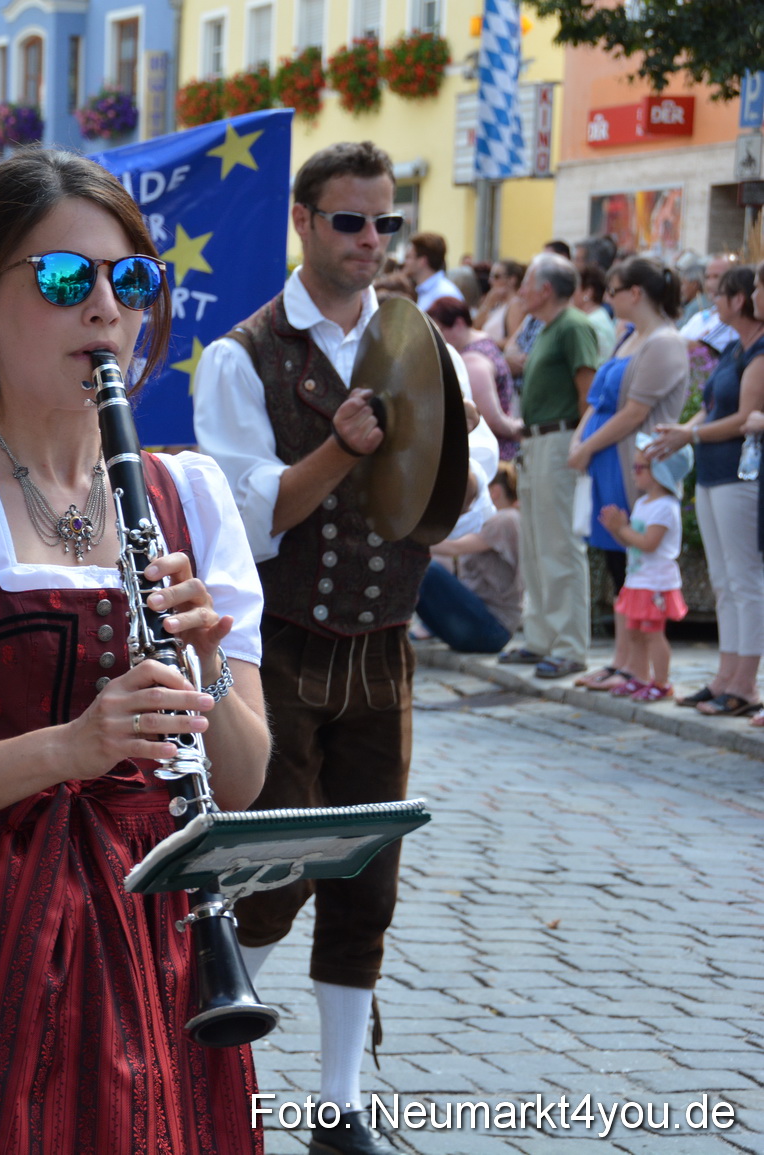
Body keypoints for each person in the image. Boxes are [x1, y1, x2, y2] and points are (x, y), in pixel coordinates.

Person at [0, 149, 269, 1154]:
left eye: (131, 279)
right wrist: (72, 748)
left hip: (167, 933)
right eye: (66, 280)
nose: (105, 308)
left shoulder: (189, 496)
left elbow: (241, 785)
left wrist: (204, 666)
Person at [194, 139, 472, 1155]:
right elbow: (249, 519)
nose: (369, 241)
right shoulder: (241, 355)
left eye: (384, 222)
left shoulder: (416, 344)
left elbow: (466, 509)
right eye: (348, 221)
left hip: (383, 649)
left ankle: (339, 1102)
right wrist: (340, 448)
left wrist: (446, 451)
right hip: (281, 650)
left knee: (368, 880)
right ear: (303, 223)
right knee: (276, 868)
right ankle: (208, 1055)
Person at [566, 256, 690, 694]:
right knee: (616, 558)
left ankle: (636, 667)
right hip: (606, 459)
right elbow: (601, 403)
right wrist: (580, 441)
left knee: (631, 561)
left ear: (635, 293)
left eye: (613, 290)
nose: (607, 298)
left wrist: (587, 446)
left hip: (632, 464)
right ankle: (621, 660)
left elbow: (635, 413)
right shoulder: (631, 337)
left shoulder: (664, 343)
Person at [649, 263, 764, 717]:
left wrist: (691, 436)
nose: (713, 301)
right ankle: (725, 675)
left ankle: (745, 682)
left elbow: (743, 419)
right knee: (723, 580)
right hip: (717, 471)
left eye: (721, 294)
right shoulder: (736, 348)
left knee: (744, 579)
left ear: (739, 301)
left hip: (741, 472)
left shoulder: (759, 353)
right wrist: (685, 428)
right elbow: (715, 407)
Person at [499, 252, 603, 680]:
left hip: (561, 439)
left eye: (527, 282)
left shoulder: (573, 326)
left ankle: (569, 645)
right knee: (538, 543)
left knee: (559, 544)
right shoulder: (546, 327)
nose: (521, 290)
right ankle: (541, 636)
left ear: (545, 289)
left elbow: (588, 390)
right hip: (539, 439)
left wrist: (580, 443)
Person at [595, 442, 693, 701]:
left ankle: (661, 682)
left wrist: (622, 528)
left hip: (655, 584)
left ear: (662, 471)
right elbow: (631, 543)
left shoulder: (665, 506)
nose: (634, 472)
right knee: (634, 633)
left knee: (652, 634)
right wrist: (617, 530)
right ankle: (639, 676)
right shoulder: (643, 503)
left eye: (640, 467)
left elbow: (649, 543)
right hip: (638, 580)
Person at [417, 461, 522, 653]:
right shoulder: (490, 521)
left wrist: (406, 538)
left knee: (427, 569)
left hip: (493, 628)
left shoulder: (506, 519)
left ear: (494, 492)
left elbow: (453, 548)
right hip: (478, 621)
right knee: (420, 567)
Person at [428, 297, 521, 460]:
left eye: (441, 330)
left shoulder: (472, 360)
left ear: (458, 323)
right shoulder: (484, 341)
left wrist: (518, 429)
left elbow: (490, 419)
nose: (438, 339)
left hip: (493, 455)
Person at [404, 231, 463, 307]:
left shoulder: (444, 294)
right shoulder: (425, 291)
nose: (405, 262)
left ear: (422, 261)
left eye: (408, 257)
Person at [575, 266, 618, 360]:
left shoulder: (590, 323)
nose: (571, 293)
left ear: (588, 292)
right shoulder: (599, 315)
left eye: (575, 288)